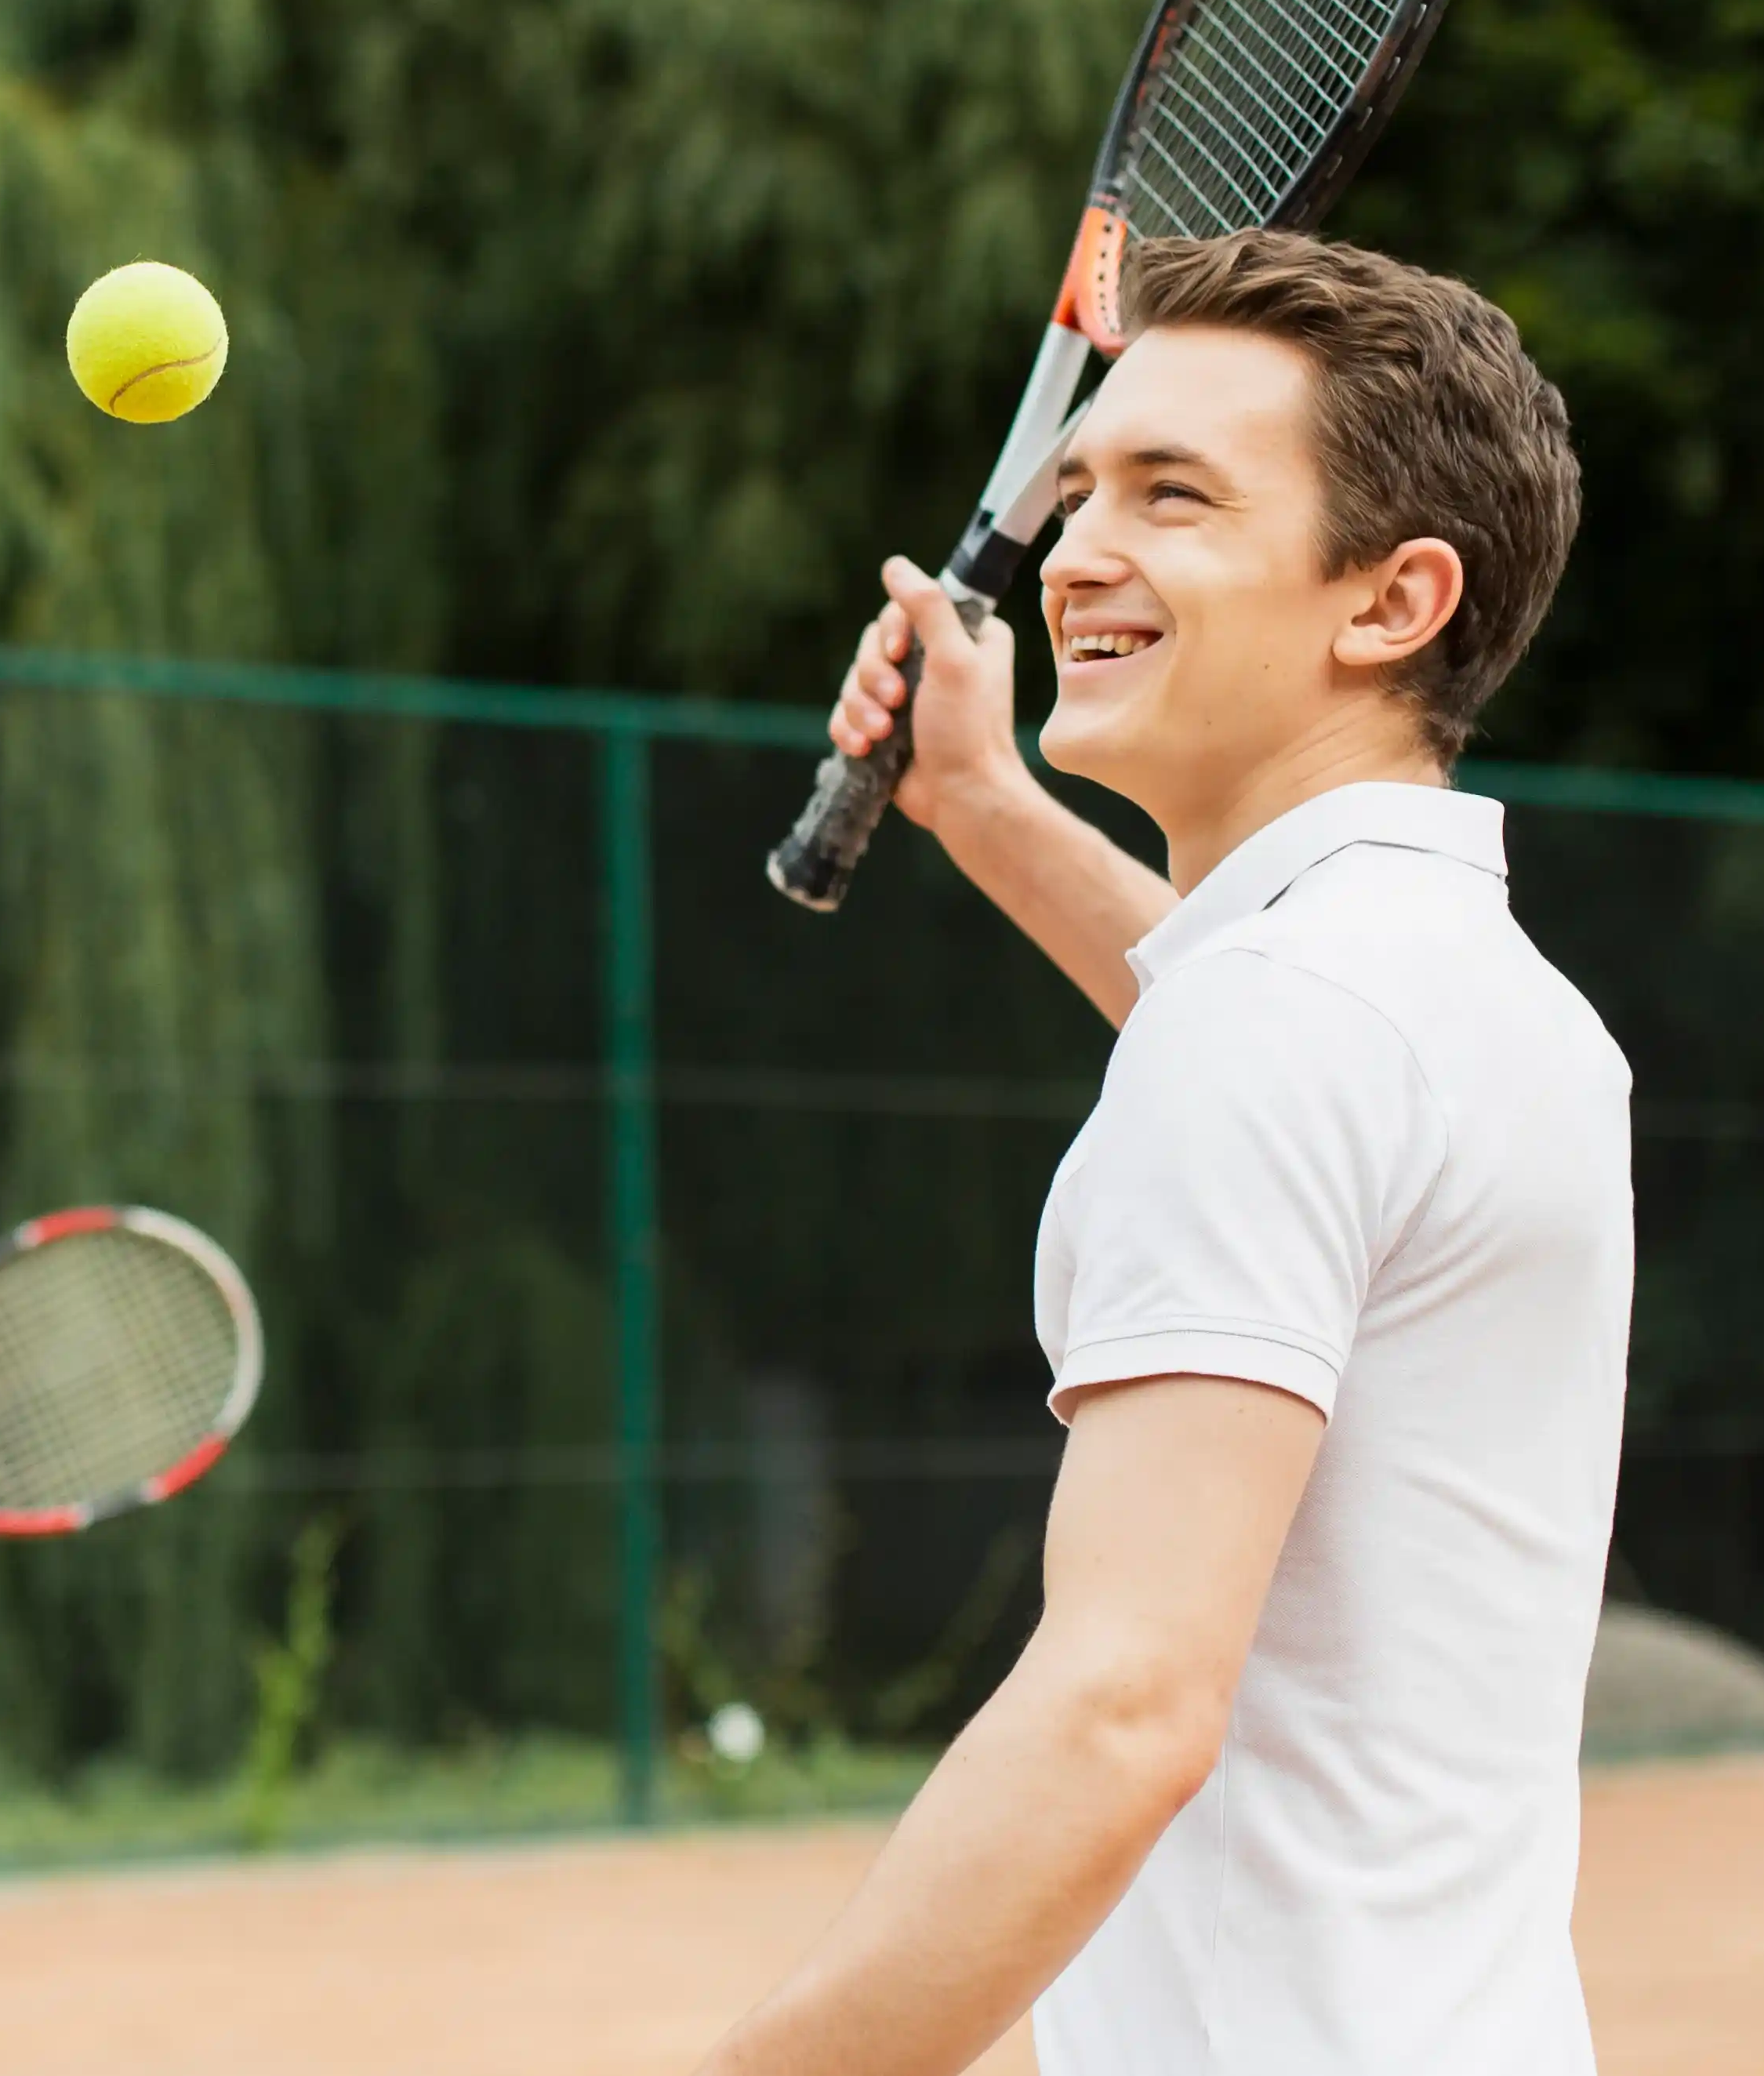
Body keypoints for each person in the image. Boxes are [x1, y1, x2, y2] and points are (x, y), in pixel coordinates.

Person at [697, 230, 1628, 2075]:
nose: (1076, 556)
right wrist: (978, 800)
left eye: (1173, 495)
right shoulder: (1479, 998)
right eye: (1083, 488)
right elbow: (1247, 1035)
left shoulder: (1281, 1021)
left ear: (1391, 600)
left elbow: (1121, 1705)